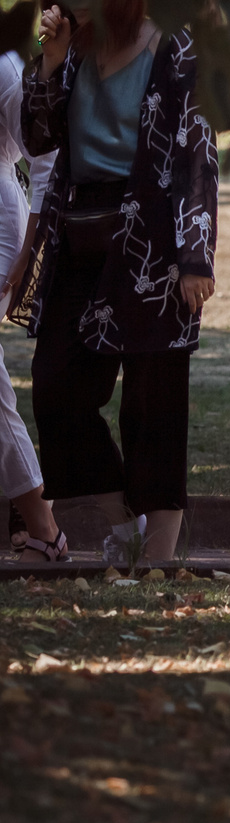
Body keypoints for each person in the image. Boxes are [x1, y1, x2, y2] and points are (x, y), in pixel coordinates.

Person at [15, 0, 219, 566]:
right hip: (77, 240)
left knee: (154, 398)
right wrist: (51, 62)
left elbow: (197, 152)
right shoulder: (69, 49)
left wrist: (195, 255)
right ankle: (120, 522)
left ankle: (158, 553)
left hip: (153, 241)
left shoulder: (172, 45)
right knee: (55, 385)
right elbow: (38, 136)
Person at [0, 51, 67, 561]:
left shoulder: (3, 65)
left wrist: (29, 247)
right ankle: (43, 528)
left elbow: (43, 154)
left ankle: (44, 527)